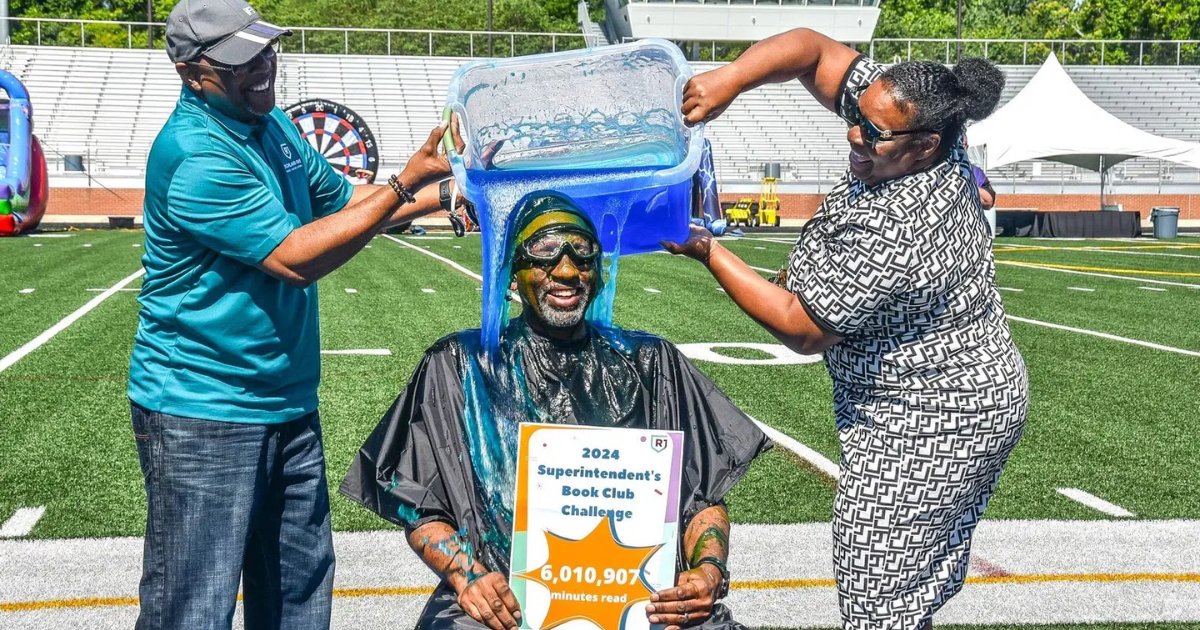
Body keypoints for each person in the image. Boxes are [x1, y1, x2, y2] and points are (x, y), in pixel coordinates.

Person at [665, 28, 1028, 630]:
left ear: (927, 145)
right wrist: (728, 81)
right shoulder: (906, 121)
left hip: (936, 408)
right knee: (896, 584)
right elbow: (811, 48)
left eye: (874, 133)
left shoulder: (906, 223)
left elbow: (801, 325)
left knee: (876, 587)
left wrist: (709, 251)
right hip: (923, 389)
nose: (855, 133)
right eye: (857, 117)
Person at [127, 1, 455, 628]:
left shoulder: (271, 121)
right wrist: (405, 185)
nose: (262, 66)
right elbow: (295, 256)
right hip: (202, 409)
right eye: (239, 60)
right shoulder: (195, 153)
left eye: (265, 49)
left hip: (286, 401)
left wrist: (443, 193)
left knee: (299, 595)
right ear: (192, 72)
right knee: (192, 607)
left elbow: (342, 204)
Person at [340, 192, 771, 630]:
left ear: (598, 274)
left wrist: (708, 572)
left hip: (642, 602)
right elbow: (420, 505)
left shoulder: (651, 364)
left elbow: (703, 500)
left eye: (582, 255)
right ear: (511, 274)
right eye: (544, 254)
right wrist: (467, 575)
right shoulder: (458, 366)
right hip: (504, 599)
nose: (566, 271)